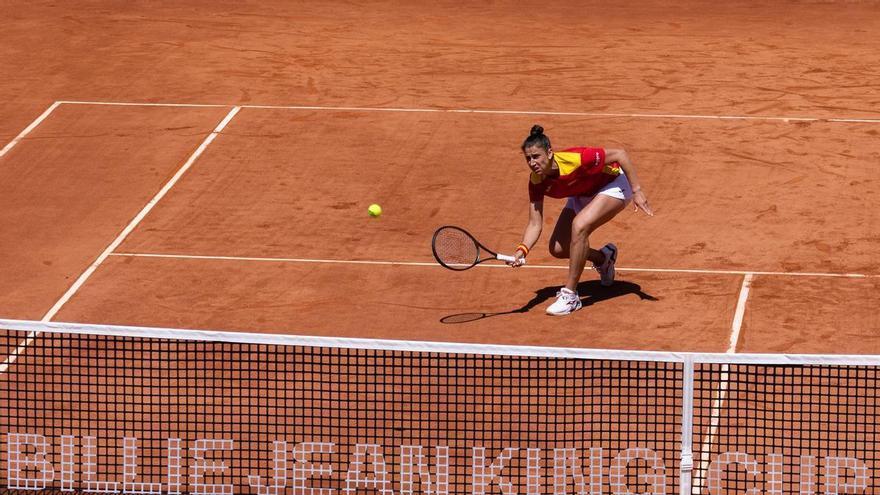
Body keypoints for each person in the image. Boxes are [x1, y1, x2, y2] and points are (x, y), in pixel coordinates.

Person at [509, 125, 653, 316]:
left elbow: (620, 154)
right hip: (581, 193)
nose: (532, 162)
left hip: (612, 184)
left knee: (579, 225)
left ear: (550, 153)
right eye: (528, 158)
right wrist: (522, 250)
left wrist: (637, 191)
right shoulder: (536, 181)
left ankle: (570, 296)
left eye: (536, 156)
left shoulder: (578, 158)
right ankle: (604, 259)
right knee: (559, 248)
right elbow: (535, 223)